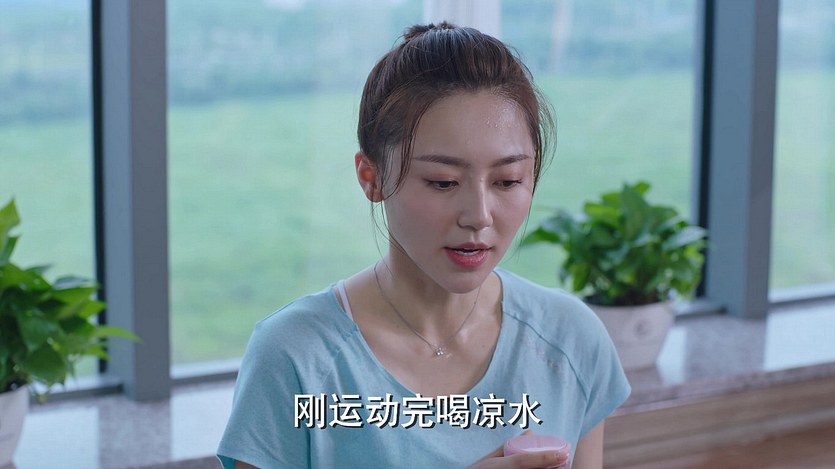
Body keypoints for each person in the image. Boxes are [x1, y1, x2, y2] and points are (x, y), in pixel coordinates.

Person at [217, 21, 630, 469]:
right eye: (443, 182)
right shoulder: (295, 357)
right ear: (371, 177)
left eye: (508, 180)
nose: (479, 215)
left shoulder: (569, 339)